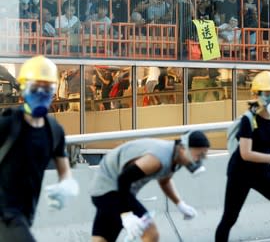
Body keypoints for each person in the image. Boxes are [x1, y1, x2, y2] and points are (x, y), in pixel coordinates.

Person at [0, 55, 79, 241]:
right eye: (35, 88)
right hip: (5, 213)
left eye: (48, 88)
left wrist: (67, 186)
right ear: (23, 89)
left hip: (26, 213)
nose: (41, 94)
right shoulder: (9, 123)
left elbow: (64, 171)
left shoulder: (54, 130)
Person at [215, 71, 270, 242]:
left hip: (263, 173)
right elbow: (245, 154)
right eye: (268, 94)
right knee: (230, 218)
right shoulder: (249, 119)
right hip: (241, 174)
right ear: (256, 95)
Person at [89, 130, 211, 242]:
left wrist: (180, 204)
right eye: (198, 155)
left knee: (101, 239)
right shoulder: (158, 159)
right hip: (110, 189)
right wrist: (126, 214)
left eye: (203, 156)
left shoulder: (176, 159)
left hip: (109, 189)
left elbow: (164, 181)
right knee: (151, 233)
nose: (199, 160)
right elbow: (124, 179)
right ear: (183, 148)